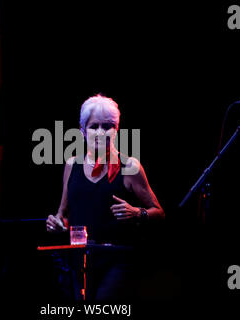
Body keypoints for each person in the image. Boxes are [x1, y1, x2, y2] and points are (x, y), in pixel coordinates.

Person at [45, 94, 165, 300]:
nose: (100, 132)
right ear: (83, 131)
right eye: (94, 126)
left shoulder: (130, 167)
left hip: (117, 261)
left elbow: (159, 212)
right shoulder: (72, 165)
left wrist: (137, 212)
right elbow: (63, 214)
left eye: (107, 126)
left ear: (116, 130)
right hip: (79, 261)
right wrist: (57, 223)